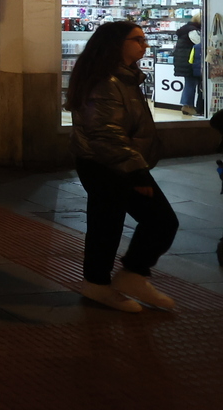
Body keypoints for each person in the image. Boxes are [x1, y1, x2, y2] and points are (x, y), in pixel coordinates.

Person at [66, 20, 179, 311]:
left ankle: (104, 281)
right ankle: (124, 276)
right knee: (159, 220)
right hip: (109, 164)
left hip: (114, 162)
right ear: (117, 44)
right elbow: (105, 131)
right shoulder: (106, 81)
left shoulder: (122, 77)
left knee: (107, 222)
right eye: (138, 39)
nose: (145, 44)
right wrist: (136, 171)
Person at [173, 12, 202, 115]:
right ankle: (187, 105)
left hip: (185, 61)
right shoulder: (192, 30)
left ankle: (187, 105)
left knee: (190, 83)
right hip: (189, 62)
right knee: (191, 84)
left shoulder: (186, 29)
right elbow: (199, 42)